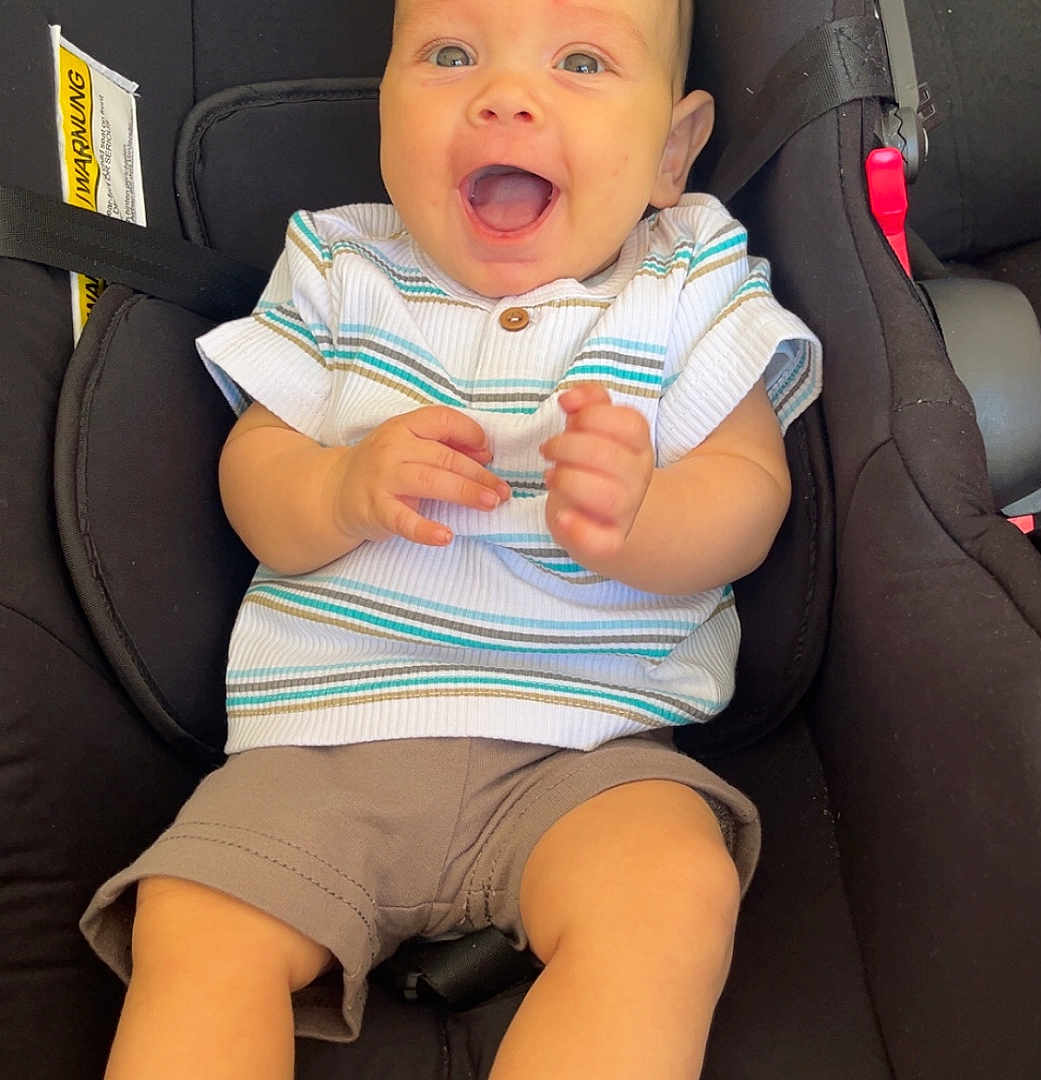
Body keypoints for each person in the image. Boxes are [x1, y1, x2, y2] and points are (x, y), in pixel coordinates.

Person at [80, 0, 821, 1077]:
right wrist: (337, 486)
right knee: (193, 920)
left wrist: (646, 519)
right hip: (321, 743)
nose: (505, 94)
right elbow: (254, 477)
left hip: (586, 755)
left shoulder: (690, 276)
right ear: (384, 111)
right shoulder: (339, 267)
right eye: (451, 54)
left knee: (673, 886)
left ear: (672, 150)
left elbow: (753, 493)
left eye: (579, 61)